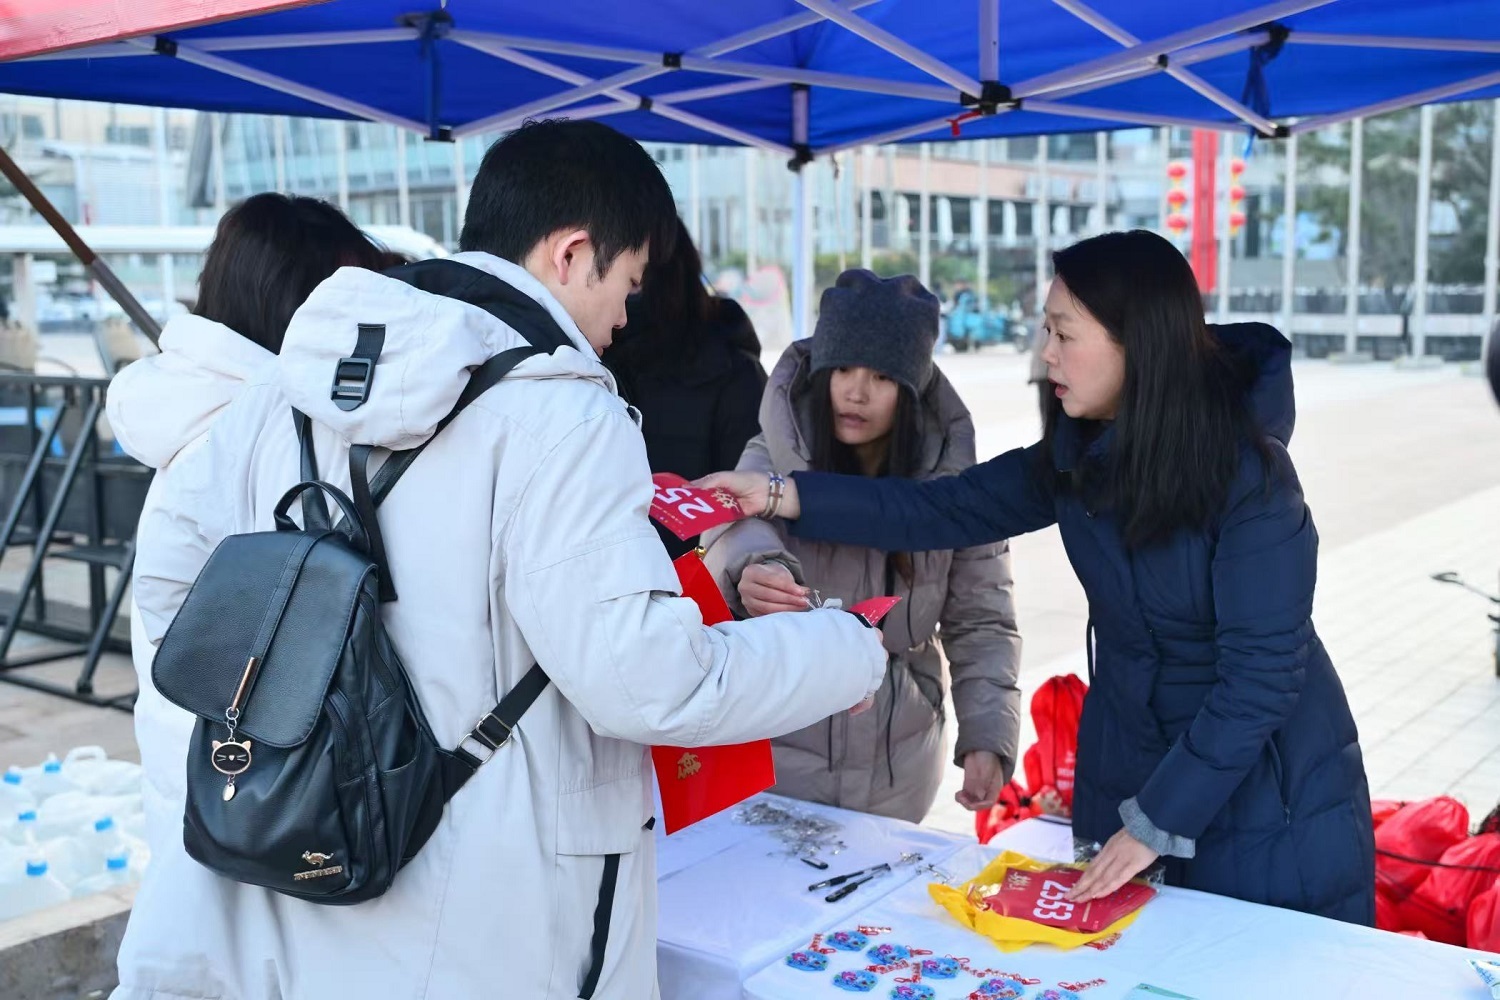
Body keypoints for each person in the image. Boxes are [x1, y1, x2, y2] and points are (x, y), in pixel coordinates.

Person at [112, 119, 886, 1000]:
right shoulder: (561, 414)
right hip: (497, 916)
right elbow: (645, 677)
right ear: (571, 253)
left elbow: (176, 592)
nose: (622, 319)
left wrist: (318, 715)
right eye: (627, 285)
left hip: (319, 862)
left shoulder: (283, 395)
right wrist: (841, 650)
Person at [701, 230, 1375, 926]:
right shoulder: (1076, 458)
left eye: (1064, 334)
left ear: (1136, 343)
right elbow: (942, 507)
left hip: (1268, 796)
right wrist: (780, 494)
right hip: (1143, 767)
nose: (1045, 354)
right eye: (1044, 331)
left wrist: (1154, 821)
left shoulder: (1251, 479)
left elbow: (1261, 679)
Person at [106, 192, 389, 883]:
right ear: (300, 305)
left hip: (198, 750)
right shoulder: (252, 432)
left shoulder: (197, 411)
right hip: (254, 769)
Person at [701, 269, 1022, 824]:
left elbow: (984, 617)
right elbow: (733, 526)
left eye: (880, 375)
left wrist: (988, 736)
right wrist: (756, 569)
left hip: (899, 759)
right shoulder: (777, 451)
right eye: (843, 368)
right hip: (780, 745)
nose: (856, 390)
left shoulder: (953, 482)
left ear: (912, 386)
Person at [603, 217, 765, 558]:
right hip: (699, 585)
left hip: (696, 586)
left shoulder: (587, 361)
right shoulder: (586, 362)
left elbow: (748, 500)